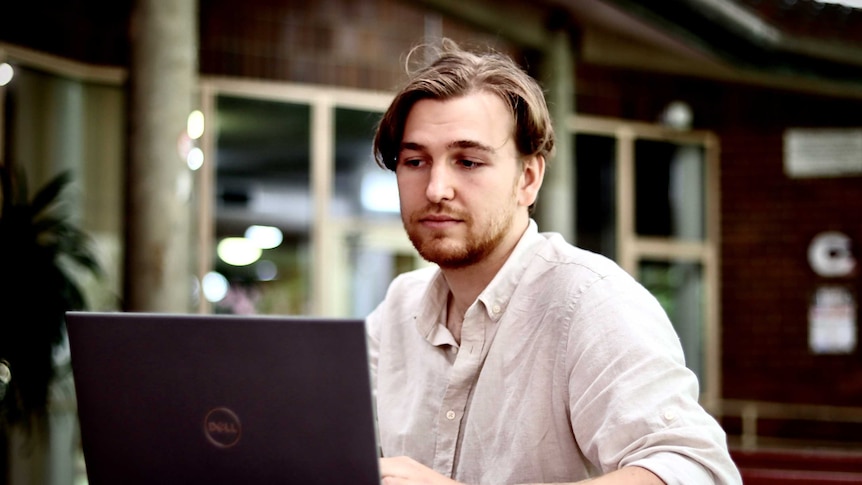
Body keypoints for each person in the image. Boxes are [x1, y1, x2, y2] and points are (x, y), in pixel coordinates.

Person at [366, 39, 742, 485]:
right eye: (415, 160)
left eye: (467, 161)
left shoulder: (589, 300)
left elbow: (698, 471)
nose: (436, 188)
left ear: (528, 179)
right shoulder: (398, 308)